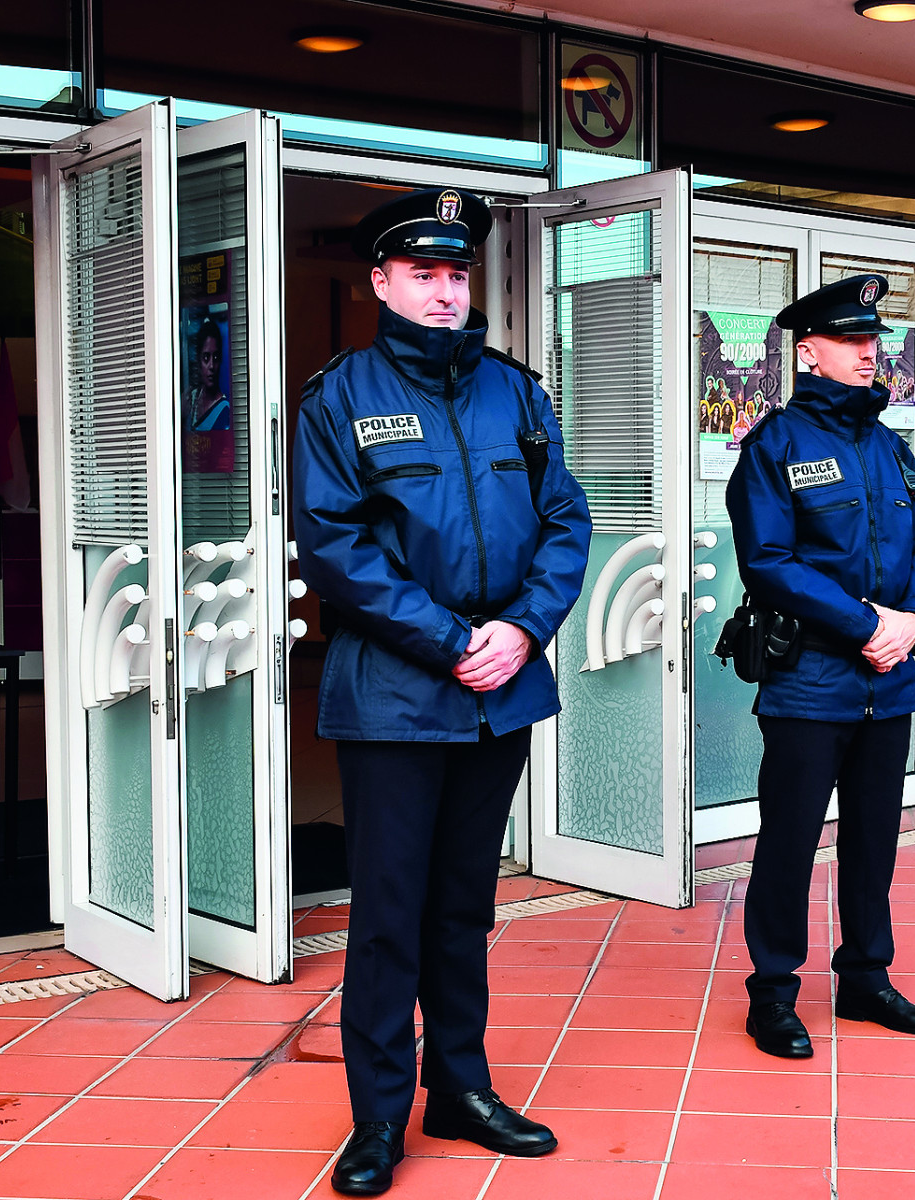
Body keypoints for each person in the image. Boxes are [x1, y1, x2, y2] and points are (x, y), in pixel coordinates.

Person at [292, 186, 592, 1195]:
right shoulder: (340, 395)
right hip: (392, 694)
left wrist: (519, 630)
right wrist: (451, 638)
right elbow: (331, 547)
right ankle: (378, 1114)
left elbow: (564, 522)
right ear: (379, 282)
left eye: (455, 272)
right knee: (386, 912)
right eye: (420, 272)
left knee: (465, 907)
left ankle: (460, 1086)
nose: (441, 289)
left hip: (495, 691)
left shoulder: (518, 393)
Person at [724, 273, 915, 1059]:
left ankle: (865, 979)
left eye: (872, 341)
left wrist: (914, 621)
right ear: (807, 350)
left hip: (889, 678)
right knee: (788, 839)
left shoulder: (891, 445)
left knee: (875, 838)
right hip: (811, 679)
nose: (867, 353)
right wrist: (864, 625)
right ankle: (774, 993)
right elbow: (770, 562)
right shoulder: (774, 446)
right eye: (851, 342)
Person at [188, 319, 231, 431]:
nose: (211, 366)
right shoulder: (191, 399)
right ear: (198, 360)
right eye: (206, 358)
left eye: (215, 358)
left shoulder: (224, 409)